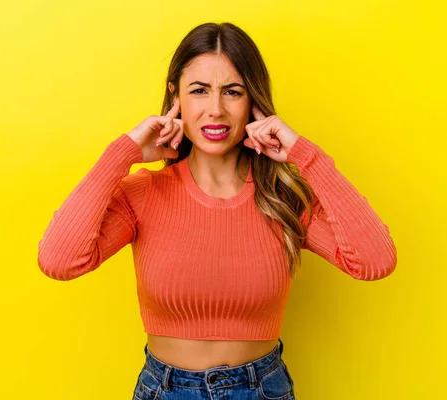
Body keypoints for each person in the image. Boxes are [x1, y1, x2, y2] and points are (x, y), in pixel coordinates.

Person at [37, 21, 397, 400]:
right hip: (165, 390)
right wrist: (121, 155)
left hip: (262, 390)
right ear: (175, 97)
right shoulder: (143, 193)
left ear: (254, 101)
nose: (216, 109)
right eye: (199, 91)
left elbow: (375, 261)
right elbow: (59, 261)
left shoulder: (283, 198)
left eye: (232, 91)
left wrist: (306, 158)